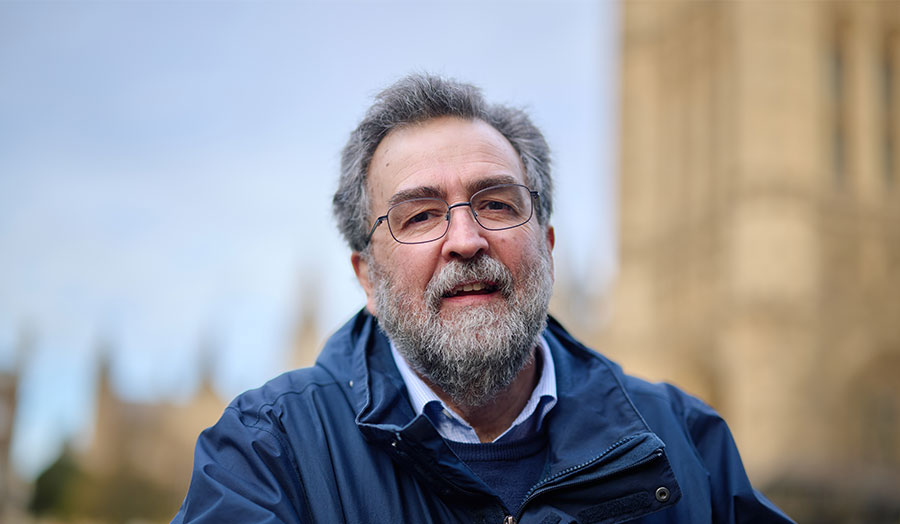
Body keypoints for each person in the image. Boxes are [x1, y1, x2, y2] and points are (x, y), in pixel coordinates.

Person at [172, 74, 794, 523]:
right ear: (366, 278)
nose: (466, 241)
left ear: (547, 246)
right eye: (419, 216)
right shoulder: (270, 453)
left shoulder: (684, 442)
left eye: (497, 203)